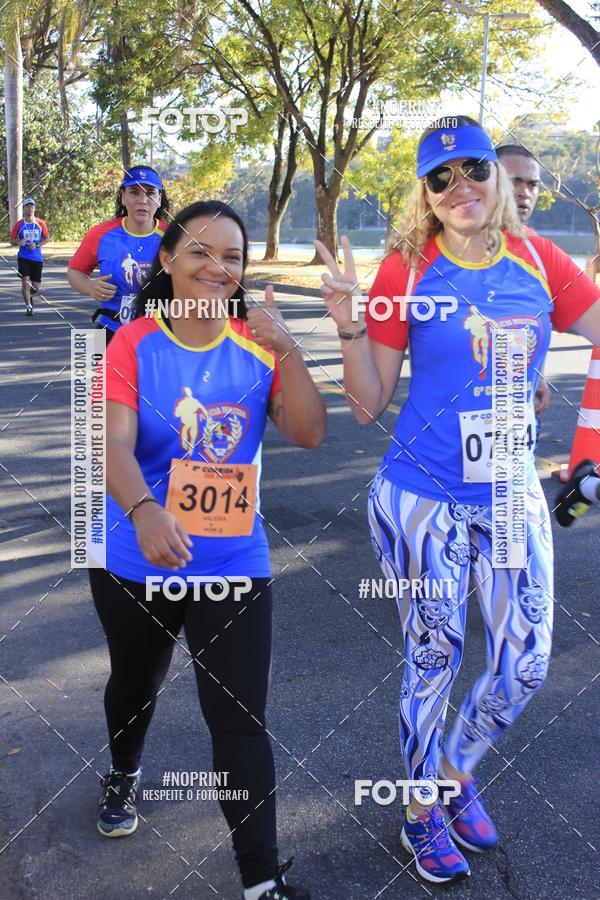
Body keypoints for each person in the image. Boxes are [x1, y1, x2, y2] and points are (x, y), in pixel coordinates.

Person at [317, 116, 600, 884]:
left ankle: (453, 768)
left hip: (509, 491)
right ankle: (418, 810)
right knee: (434, 655)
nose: (459, 187)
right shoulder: (404, 271)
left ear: (498, 176)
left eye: (472, 168)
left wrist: (565, 414)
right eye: (439, 179)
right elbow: (370, 405)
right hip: (422, 497)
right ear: (426, 195)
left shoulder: (542, 261)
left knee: (527, 661)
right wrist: (347, 329)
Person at [91, 200, 325, 900]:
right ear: (167, 259)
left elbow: (309, 434)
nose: (216, 267)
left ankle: (261, 881)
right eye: (199, 251)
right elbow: (112, 442)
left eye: (231, 256)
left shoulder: (260, 345)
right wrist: (143, 510)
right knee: (135, 685)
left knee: (239, 716)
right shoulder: (134, 342)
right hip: (138, 556)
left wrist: (290, 349)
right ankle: (124, 771)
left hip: (233, 562)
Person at [68, 165, 169, 343]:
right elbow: (75, 272)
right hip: (109, 329)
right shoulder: (100, 234)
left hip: (158, 334)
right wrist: (89, 287)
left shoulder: (173, 237)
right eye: (134, 192)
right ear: (123, 197)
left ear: (159, 198)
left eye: (151, 193)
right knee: (84, 367)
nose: (143, 200)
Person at [497, 145, 550, 418]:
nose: (523, 192)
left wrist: (536, 373)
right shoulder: (448, 251)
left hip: (519, 419)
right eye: (513, 181)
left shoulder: (542, 254)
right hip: (445, 426)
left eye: (533, 185)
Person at [9, 198, 49, 316]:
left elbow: (47, 238)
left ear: (34, 208)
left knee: (36, 286)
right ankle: (29, 307)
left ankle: (30, 294)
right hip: (23, 257)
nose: (29, 208)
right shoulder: (19, 224)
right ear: (24, 208)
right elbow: (11, 239)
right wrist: (18, 241)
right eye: (27, 206)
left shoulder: (41, 223)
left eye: (32, 206)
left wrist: (36, 245)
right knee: (25, 281)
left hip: (37, 258)